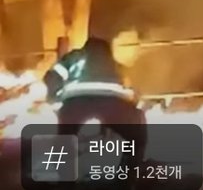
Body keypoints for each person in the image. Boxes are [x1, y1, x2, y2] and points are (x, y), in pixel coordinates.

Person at [44, 37, 147, 176]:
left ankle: (63, 176)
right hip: (115, 108)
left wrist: (56, 103)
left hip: (75, 107)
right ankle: (130, 174)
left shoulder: (72, 59)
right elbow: (135, 93)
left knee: (65, 140)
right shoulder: (118, 66)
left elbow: (51, 78)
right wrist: (137, 110)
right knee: (133, 139)